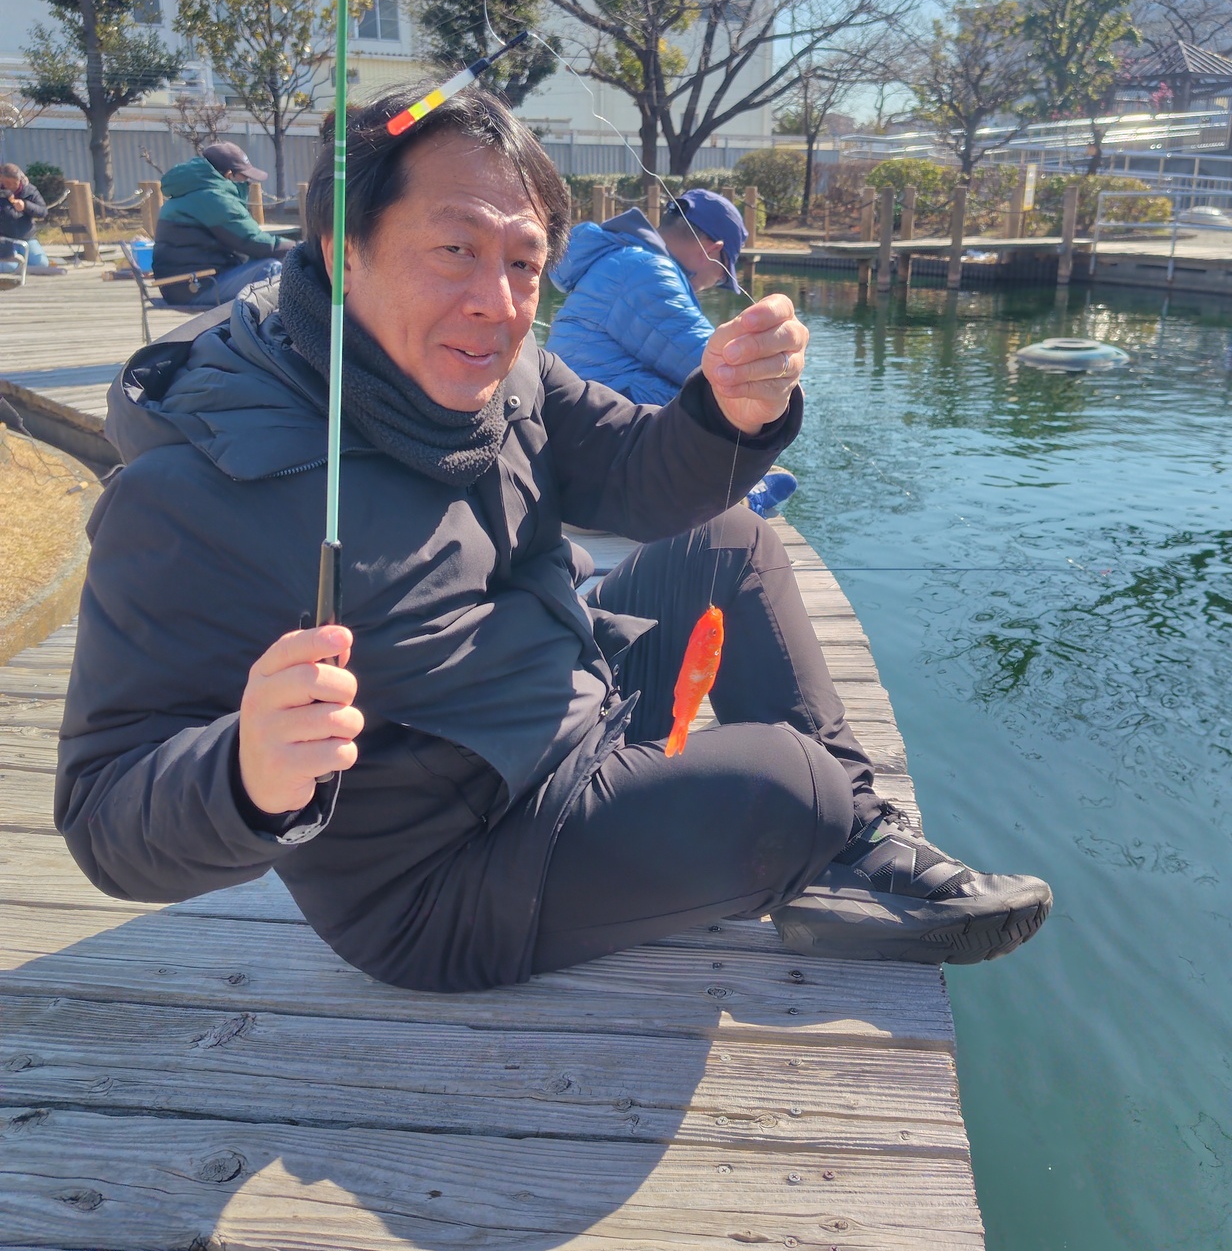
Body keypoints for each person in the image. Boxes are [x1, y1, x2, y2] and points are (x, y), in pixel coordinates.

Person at [56, 85, 1051, 996]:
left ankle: (858, 845)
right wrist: (245, 773)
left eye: (523, 262)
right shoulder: (200, 486)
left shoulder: (512, 370)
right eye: (456, 249)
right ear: (339, 249)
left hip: (570, 700)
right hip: (448, 878)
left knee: (732, 539)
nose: (496, 303)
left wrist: (727, 413)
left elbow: (634, 471)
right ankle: (826, 823)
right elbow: (103, 811)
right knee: (795, 785)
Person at [548, 187, 796, 515]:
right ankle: (743, 501)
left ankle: (735, 491)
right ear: (713, 251)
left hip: (573, 441)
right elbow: (723, 369)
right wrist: (783, 379)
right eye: (722, 275)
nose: (712, 284)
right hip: (589, 459)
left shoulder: (624, 260)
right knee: (722, 398)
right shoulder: (647, 273)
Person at [153, 141, 294, 308]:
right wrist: (300, 247)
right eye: (244, 176)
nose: (248, 182)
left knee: (271, 263)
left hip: (181, 286)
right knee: (271, 270)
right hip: (197, 286)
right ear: (229, 175)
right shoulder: (213, 198)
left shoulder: (191, 191)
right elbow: (252, 241)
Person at [0, 162, 62, 275]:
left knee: (42, 264)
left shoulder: (30, 190)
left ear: (19, 180)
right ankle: (17, 266)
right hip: (5, 239)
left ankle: (21, 266)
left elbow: (43, 211)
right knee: (8, 266)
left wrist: (26, 206)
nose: (10, 186)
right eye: (6, 183)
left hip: (27, 237)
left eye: (14, 183)